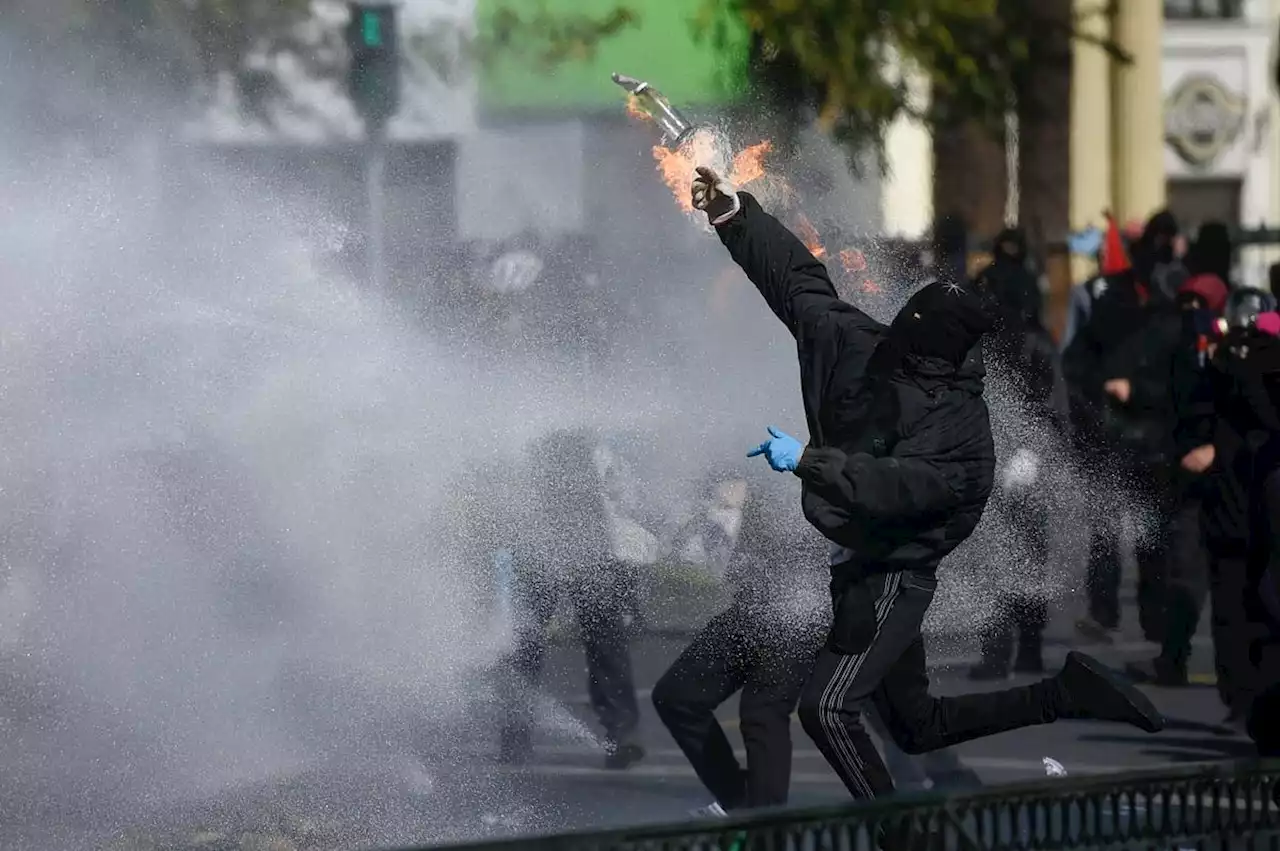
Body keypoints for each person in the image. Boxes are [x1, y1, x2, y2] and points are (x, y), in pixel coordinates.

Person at [690, 166, 1165, 801]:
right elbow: (799, 283)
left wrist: (810, 461)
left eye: (907, 341)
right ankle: (1064, 692)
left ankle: (905, 837)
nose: (887, 348)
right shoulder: (871, 345)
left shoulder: (964, 436)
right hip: (857, 558)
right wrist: (734, 215)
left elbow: (901, 488)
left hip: (896, 573)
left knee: (827, 710)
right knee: (916, 727)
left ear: (932, 357)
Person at [651, 467, 829, 813]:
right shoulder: (713, 518)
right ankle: (739, 799)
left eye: (732, 481)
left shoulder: (784, 509)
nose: (723, 489)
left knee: (762, 713)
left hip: (797, 617)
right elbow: (699, 554)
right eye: (718, 481)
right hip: (748, 613)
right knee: (675, 696)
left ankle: (764, 818)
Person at [497, 427, 646, 770]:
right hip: (544, 542)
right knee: (527, 642)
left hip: (587, 542)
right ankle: (517, 736)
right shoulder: (541, 430)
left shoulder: (593, 437)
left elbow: (619, 494)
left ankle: (622, 734)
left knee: (604, 639)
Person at [968, 228, 1070, 679]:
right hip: (995, 451)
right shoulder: (990, 338)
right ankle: (1008, 649)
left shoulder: (1026, 340)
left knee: (1019, 550)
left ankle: (1021, 648)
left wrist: (1030, 451)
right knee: (1000, 552)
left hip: (1020, 454)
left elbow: (1051, 403)